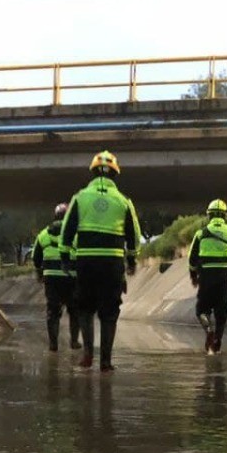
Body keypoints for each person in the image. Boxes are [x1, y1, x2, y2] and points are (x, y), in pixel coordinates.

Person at [60, 151, 141, 372]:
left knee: (85, 308)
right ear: (115, 173)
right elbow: (133, 234)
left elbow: (67, 230)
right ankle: (106, 361)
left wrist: (65, 257)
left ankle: (87, 355)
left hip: (86, 262)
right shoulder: (124, 201)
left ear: (93, 172)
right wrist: (132, 260)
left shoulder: (80, 198)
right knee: (110, 311)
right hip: (112, 264)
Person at [188, 199, 227, 355]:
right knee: (221, 312)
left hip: (205, 279)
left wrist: (193, 275)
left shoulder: (200, 233)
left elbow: (191, 258)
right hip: (223, 279)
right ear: (225, 216)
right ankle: (217, 342)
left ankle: (209, 330)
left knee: (201, 310)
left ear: (209, 216)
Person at [33, 203, 81, 352]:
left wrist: (40, 273)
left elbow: (36, 258)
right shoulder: (76, 234)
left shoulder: (43, 234)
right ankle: (74, 342)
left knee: (53, 311)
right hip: (71, 278)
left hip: (51, 278)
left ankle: (53, 345)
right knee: (74, 310)